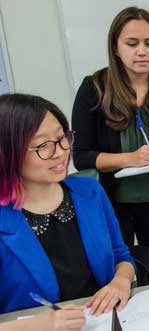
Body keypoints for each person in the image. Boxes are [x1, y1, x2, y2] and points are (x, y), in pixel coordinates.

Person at [0, 94, 135, 329]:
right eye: (43, 145)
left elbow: (121, 256)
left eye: (62, 138)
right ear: (8, 152)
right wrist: (39, 325)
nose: (61, 152)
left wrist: (121, 281)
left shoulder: (90, 192)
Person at [72, 7, 149, 281]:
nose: (142, 52)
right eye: (132, 44)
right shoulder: (94, 88)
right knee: (117, 273)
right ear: (115, 47)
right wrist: (129, 159)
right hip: (114, 202)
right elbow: (81, 157)